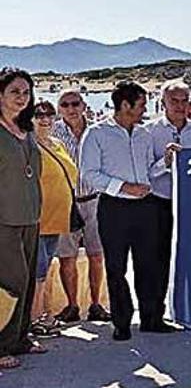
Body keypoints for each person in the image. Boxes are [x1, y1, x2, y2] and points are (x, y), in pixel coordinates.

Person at [80, 81, 170, 340]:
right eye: (141, 104)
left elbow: (148, 171)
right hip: (114, 207)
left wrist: (164, 162)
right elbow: (88, 173)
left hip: (146, 207)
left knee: (148, 264)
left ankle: (151, 318)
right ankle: (121, 322)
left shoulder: (144, 134)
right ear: (125, 105)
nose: (144, 110)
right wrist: (123, 187)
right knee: (116, 267)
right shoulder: (96, 134)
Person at [146, 80, 191, 324]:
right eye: (174, 101)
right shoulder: (150, 132)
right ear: (163, 103)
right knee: (159, 258)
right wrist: (166, 162)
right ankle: (157, 312)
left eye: (184, 100)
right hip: (161, 203)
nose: (180, 106)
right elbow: (145, 172)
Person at [52, 90, 111, 324]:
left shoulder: (98, 131)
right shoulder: (53, 133)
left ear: (84, 105)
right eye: (65, 104)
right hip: (66, 202)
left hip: (95, 200)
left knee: (97, 256)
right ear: (59, 109)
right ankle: (72, 306)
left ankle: (96, 305)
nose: (71, 108)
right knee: (68, 258)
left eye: (75, 103)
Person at [0, 68, 45, 370]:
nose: (21, 97)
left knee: (27, 280)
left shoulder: (26, 130)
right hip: (4, 219)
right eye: (15, 91)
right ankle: (2, 344)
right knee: (9, 282)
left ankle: (20, 338)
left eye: (26, 92)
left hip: (30, 216)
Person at [30, 101, 75, 337]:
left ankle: (39, 315)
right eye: (39, 115)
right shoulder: (27, 145)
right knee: (36, 273)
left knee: (44, 270)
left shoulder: (56, 144)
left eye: (49, 115)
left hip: (57, 219)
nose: (45, 119)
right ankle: (34, 319)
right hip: (37, 219)